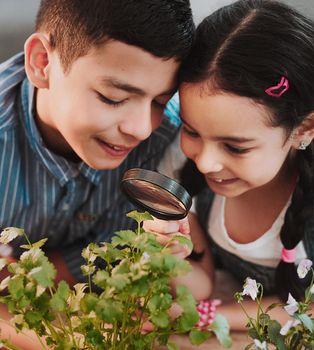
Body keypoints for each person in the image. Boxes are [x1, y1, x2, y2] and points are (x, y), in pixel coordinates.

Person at [145, 0, 314, 331]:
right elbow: (200, 286)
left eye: (236, 147)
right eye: (191, 131)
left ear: (305, 127)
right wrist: (170, 254)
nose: (207, 163)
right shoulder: (182, 161)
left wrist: (209, 317)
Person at [0, 0, 194, 285]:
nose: (141, 129)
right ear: (42, 62)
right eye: (113, 98)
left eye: (160, 102)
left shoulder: (168, 134)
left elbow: (109, 253)